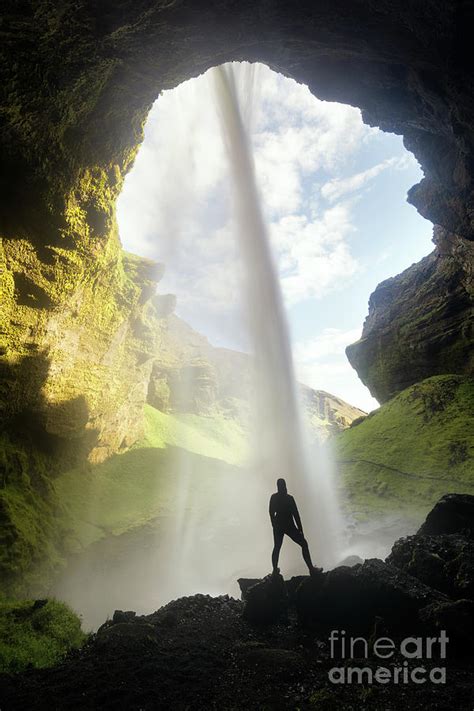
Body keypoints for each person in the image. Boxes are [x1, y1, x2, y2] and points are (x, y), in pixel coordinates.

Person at [269, 477, 319, 576]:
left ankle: (275, 570)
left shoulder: (274, 497)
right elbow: (296, 514)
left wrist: (274, 524)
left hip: (279, 526)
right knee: (303, 544)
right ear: (284, 486)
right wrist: (300, 529)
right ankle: (311, 569)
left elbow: (271, 512)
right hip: (289, 525)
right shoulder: (289, 498)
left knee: (277, 547)